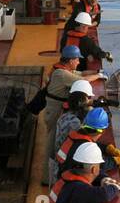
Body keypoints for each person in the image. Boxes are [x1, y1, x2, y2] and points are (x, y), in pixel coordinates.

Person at [42, 46, 102, 182]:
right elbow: (82, 80)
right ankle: (47, 178)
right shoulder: (61, 74)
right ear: (70, 60)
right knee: (51, 145)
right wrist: (98, 76)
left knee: (54, 142)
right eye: (77, 59)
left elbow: (81, 73)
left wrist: (97, 71)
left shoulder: (65, 70)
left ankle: (50, 176)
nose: (79, 62)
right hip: (54, 109)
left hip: (56, 108)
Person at [55, 106, 120, 178]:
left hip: (62, 173)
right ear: (103, 130)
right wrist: (114, 161)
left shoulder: (76, 134)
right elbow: (97, 164)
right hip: (70, 180)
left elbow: (86, 143)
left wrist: (106, 148)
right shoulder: (86, 146)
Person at [49, 80, 94, 184]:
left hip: (58, 162)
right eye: (89, 98)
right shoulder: (75, 123)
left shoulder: (63, 116)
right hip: (65, 167)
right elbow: (85, 137)